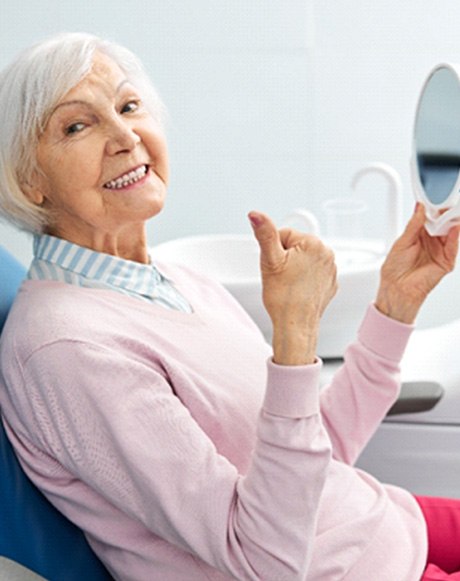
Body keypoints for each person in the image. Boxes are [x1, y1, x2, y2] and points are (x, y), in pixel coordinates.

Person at [0, 32, 459, 581]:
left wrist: (396, 301)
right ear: (31, 180)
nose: (125, 136)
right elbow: (262, 559)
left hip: (376, 526)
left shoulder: (174, 280)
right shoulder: (67, 349)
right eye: (77, 125)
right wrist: (293, 337)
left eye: (127, 106)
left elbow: (317, 454)